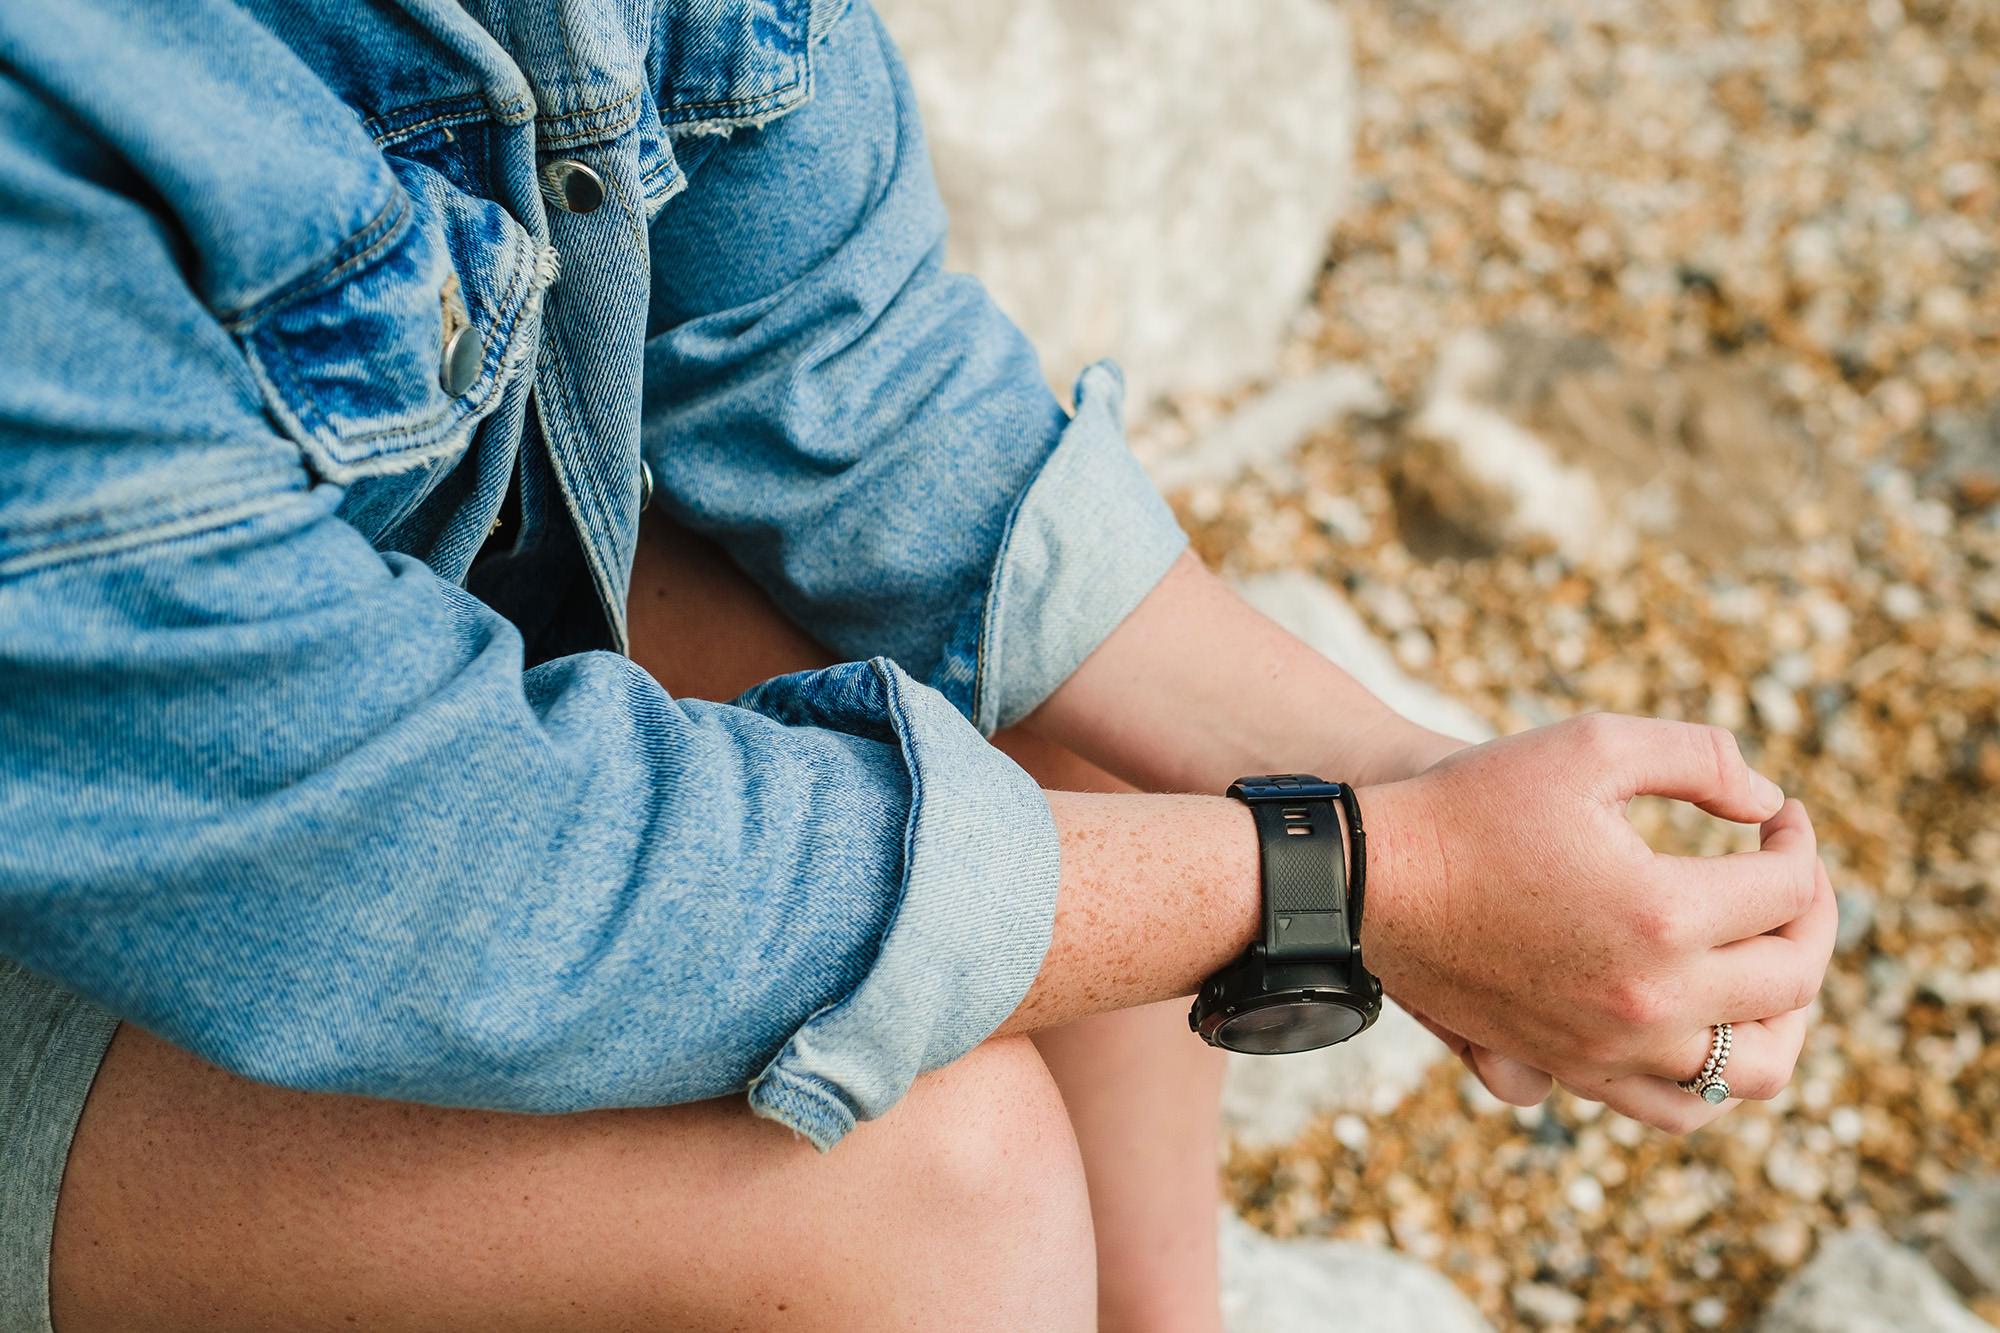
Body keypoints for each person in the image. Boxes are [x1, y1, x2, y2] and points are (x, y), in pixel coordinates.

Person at [0, 0, 1836, 1329]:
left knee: (1090, 738)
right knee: (912, 1182)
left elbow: (840, 359)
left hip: (333, 749)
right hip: (151, 867)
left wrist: (1445, 808)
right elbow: (447, 868)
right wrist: (1354, 882)